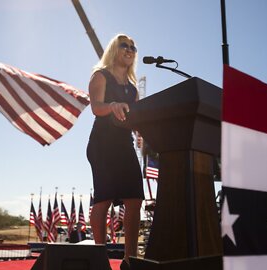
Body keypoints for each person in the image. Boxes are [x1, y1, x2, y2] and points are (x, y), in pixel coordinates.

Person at [86, 34, 144, 270]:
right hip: (102, 145)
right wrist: (111, 106)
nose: (130, 49)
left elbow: (137, 117)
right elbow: (95, 107)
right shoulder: (101, 76)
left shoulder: (132, 89)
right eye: (125, 45)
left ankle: (129, 261)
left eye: (133, 47)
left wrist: (142, 132)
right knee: (104, 200)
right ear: (114, 49)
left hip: (124, 145)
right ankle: (101, 259)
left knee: (135, 199)